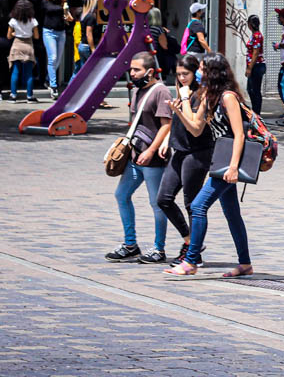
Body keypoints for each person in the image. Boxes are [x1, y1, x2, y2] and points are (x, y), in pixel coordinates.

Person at [165, 53, 254, 278]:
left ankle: (191, 261)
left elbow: (239, 135)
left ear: (212, 72)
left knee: (197, 206)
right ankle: (245, 264)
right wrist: (181, 105)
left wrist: (233, 167)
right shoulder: (208, 96)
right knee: (232, 213)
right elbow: (195, 128)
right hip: (220, 158)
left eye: (202, 69)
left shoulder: (228, 97)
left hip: (229, 161)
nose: (198, 73)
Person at [105, 52, 172, 264]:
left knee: (157, 203)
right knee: (121, 195)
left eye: (136, 70)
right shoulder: (137, 91)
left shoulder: (160, 91)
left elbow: (166, 126)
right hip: (135, 156)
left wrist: (151, 151)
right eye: (131, 69)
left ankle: (159, 249)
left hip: (153, 160)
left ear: (150, 71)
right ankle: (130, 244)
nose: (132, 74)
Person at [155, 55, 213, 266]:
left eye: (185, 74)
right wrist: (167, 140)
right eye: (178, 74)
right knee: (164, 198)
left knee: (192, 204)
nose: (181, 78)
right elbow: (177, 119)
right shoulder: (182, 91)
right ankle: (190, 240)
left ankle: (193, 254)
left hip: (196, 153)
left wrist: (186, 100)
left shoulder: (202, 94)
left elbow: (195, 129)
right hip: (178, 149)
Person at [41, 0, 72, 98]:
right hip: (49, 32)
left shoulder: (63, 2)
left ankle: (48, 79)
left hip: (61, 32)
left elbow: (69, 18)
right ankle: (53, 87)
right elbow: (50, 9)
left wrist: (66, 11)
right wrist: (62, 7)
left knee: (57, 60)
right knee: (52, 58)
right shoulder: (45, 2)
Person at [7, 0, 39, 102]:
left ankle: (13, 96)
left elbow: (8, 36)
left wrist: (15, 33)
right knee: (29, 73)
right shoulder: (33, 21)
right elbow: (37, 36)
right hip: (28, 45)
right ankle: (29, 96)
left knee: (15, 71)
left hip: (17, 44)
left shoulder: (13, 20)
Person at [72, 0, 101, 83]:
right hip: (87, 47)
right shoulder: (91, 17)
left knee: (83, 71)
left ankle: (75, 89)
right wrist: (92, 48)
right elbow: (89, 33)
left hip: (82, 46)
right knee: (93, 70)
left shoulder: (84, 16)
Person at [147, 6, 177, 79]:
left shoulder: (146, 28)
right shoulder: (159, 30)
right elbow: (164, 46)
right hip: (157, 55)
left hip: (147, 53)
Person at [244, 15, 265, 115]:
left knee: (255, 90)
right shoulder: (254, 35)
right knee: (251, 89)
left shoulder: (257, 36)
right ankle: (255, 111)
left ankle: (257, 112)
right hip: (254, 66)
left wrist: (249, 68)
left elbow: (255, 53)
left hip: (256, 66)